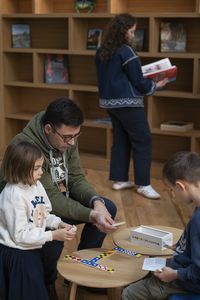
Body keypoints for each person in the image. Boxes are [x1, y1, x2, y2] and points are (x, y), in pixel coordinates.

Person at [0, 97, 117, 298]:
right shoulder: (27, 149)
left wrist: (96, 203)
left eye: (76, 135)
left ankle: (82, 273)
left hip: (43, 204)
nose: (72, 142)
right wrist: (90, 216)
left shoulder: (67, 138)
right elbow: (51, 200)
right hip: (26, 212)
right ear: (48, 129)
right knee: (53, 227)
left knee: (107, 206)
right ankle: (47, 280)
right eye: (67, 137)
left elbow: (76, 178)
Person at [95, 13, 168, 199]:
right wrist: (154, 85)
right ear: (123, 31)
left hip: (110, 104)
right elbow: (138, 80)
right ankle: (143, 184)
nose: (133, 35)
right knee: (143, 140)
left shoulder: (102, 50)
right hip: (129, 104)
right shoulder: (126, 51)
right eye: (132, 31)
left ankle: (119, 179)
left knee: (121, 139)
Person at [0, 141, 77, 300]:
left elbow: (42, 214)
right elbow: (20, 235)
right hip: (18, 255)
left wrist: (57, 223)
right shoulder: (12, 195)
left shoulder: (36, 185)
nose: (41, 172)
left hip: (32, 248)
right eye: (36, 168)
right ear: (18, 168)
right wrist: (53, 236)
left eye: (41, 167)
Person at [121, 151, 200, 300]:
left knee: (129, 293)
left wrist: (174, 275)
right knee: (145, 265)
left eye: (172, 190)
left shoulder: (198, 221)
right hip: (184, 266)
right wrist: (182, 245)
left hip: (187, 282)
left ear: (180, 186)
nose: (173, 195)